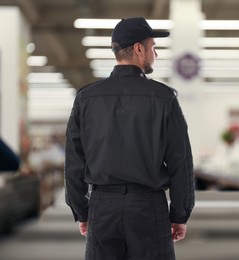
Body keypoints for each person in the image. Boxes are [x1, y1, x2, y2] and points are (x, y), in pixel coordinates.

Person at [65, 17, 195, 260]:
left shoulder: (86, 98)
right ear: (138, 49)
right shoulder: (164, 98)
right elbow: (181, 162)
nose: (155, 53)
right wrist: (180, 215)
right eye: (153, 47)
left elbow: (74, 162)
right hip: (148, 207)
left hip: (103, 208)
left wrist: (82, 211)